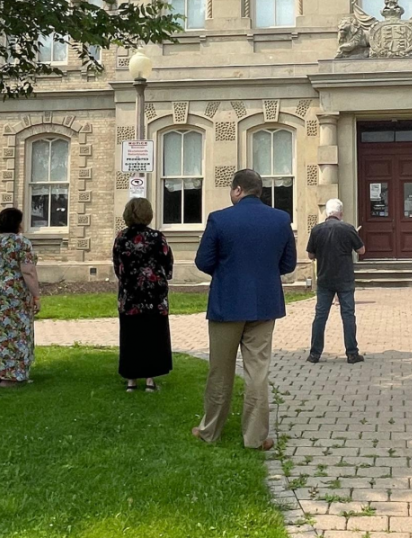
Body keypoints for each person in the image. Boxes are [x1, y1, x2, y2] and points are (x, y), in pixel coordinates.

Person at [192, 168, 296, 450]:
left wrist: (226, 271)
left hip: (227, 303)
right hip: (264, 304)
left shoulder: (220, 219)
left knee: (220, 371)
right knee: (258, 372)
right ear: (259, 191)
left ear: (238, 189)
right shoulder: (280, 219)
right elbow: (288, 265)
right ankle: (255, 437)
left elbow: (203, 261)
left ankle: (210, 430)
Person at [113, 198, 174, 392]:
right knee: (153, 337)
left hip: (129, 296)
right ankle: (150, 380)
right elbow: (168, 265)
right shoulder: (157, 237)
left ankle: (131, 381)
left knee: (131, 336)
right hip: (154, 297)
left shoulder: (121, 238)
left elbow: (118, 267)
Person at [0, 208, 41, 387]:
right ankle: (10, 377)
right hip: (14, 292)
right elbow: (28, 271)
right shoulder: (21, 243)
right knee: (15, 333)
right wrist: (36, 295)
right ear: (16, 223)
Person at [305, 198, 365, 364]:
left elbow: (310, 255)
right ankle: (352, 353)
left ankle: (314, 354)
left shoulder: (317, 230)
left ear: (326, 213)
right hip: (345, 278)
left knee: (320, 317)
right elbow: (361, 249)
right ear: (341, 213)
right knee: (348, 316)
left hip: (324, 278)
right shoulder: (348, 228)